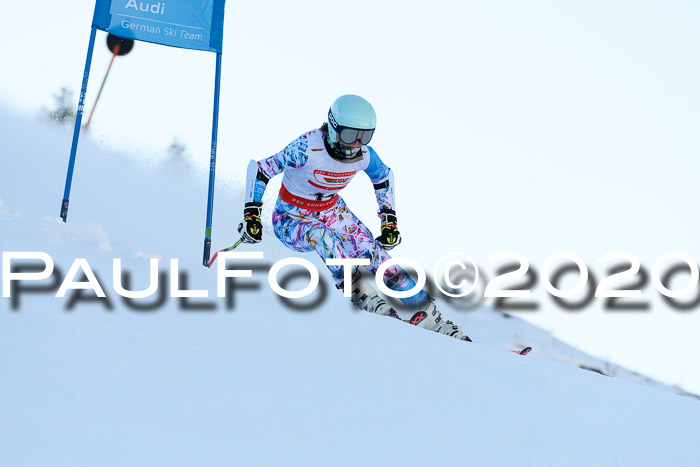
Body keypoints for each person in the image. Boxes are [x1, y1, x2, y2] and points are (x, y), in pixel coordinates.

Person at [237, 94, 470, 341]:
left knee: (377, 256)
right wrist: (252, 215)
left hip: (332, 211)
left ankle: (432, 318)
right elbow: (260, 169)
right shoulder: (307, 148)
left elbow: (383, 177)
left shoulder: (365, 155)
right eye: (350, 135)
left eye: (364, 136)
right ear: (334, 129)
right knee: (322, 237)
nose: (356, 144)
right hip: (292, 217)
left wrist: (388, 220)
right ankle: (363, 295)